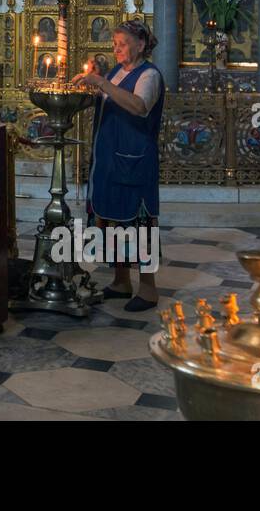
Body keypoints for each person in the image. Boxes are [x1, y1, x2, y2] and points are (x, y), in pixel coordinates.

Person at [72, 19, 165, 312]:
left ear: (140, 45)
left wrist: (101, 83)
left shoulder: (149, 75)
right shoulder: (114, 72)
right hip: (109, 159)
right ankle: (121, 281)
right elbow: (105, 101)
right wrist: (81, 91)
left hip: (134, 158)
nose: (117, 50)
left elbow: (139, 106)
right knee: (113, 220)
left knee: (139, 223)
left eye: (122, 44)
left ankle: (148, 289)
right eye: (114, 45)